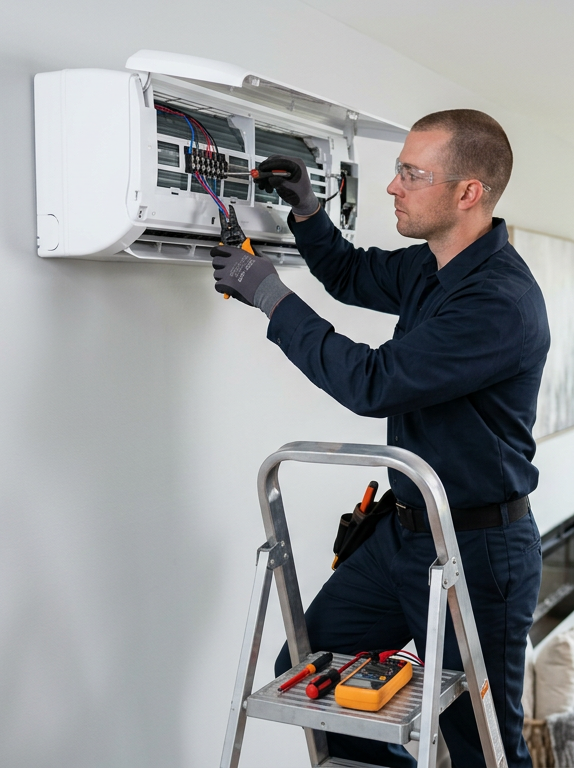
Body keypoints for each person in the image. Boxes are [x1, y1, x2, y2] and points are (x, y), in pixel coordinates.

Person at [211, 109, 548, 766]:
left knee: (481, 743)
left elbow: (373, 383)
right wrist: (307, 212)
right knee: (313, 670)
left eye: (411, 174)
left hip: (480, 551)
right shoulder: (432, 267)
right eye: (398, 171)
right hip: (402, 536)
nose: (394, 187)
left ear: (467, 192)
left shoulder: (498, 302)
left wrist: (269, 296)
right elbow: (350, 274)